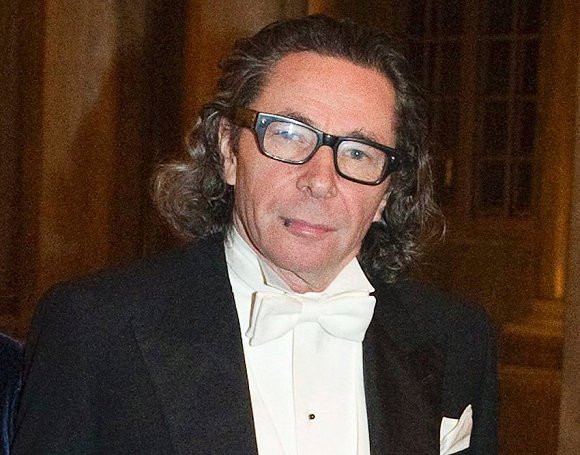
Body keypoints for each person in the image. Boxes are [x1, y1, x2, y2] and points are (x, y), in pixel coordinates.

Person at [12, 15, 497, 455]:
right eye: (289, 134)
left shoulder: (456, 339)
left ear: (388, 192)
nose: (320, 180)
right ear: (228, 150)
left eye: (358, 152)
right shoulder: (96, 329)